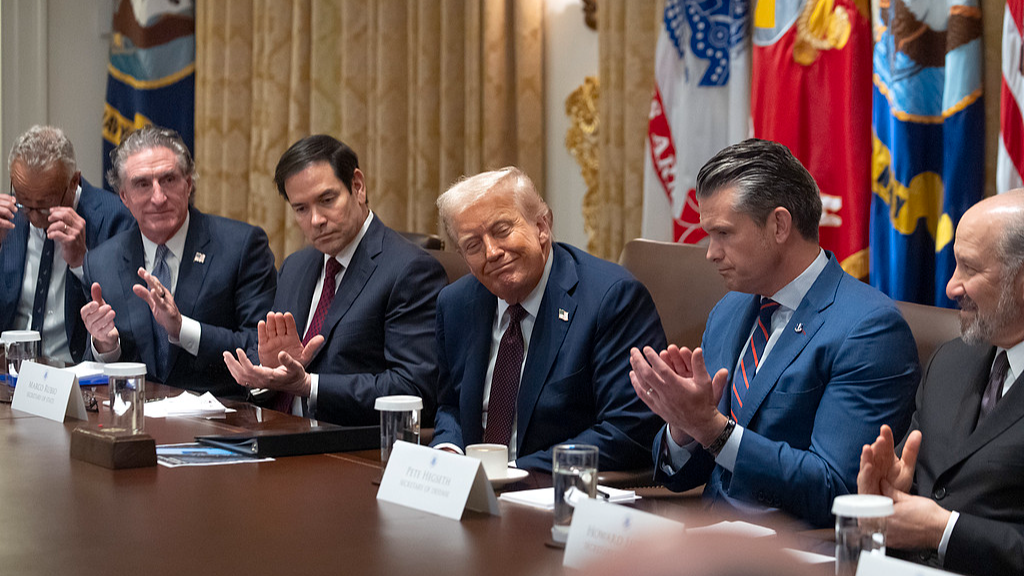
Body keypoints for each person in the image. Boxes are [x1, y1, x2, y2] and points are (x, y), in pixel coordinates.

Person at [630, 138, 920, 527]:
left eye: (724, 234)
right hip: (707, 537)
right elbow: (685, 476)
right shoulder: (729, 310)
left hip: (794, 547)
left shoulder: (869, 330)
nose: (711, 253)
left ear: (779, 225)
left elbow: (836, 489)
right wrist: (683, 427)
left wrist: (711, 429)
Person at [430, 167, 666, 472]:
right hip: (472, 485)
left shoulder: (611, 300)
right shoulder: (456, 304)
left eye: (502, 230)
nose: (491, 252)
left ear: (542, 227)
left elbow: (628, 430)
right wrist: (447, 449)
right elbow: (451, 406)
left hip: (554, 488)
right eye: (473, 245)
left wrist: (515, 472)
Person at [221, 134, 447, 424]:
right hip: (275, 433)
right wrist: (267, 372)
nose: (316, 220)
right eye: (301, 209)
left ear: (357, 186)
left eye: (327, 200)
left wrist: (309, 386)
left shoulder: (410, 270)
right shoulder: (295, 266)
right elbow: (272, 363)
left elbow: (413, 389)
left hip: (348, 442)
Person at [858, 190, 1024, 575]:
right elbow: (918, 484)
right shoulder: (951, 360)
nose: (951, 287)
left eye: (969, 268)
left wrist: (945, 530)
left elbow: (939, 521)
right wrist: (889, 495)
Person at [80, 126, 276, 398]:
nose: (158, 198)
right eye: (142, 184)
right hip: (133, 414)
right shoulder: (101, 262)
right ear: (123, 197)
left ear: (189, 184)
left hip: (221, 416)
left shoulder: (241, 246)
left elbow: (260, 348)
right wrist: (105, 345)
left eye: (169, 179)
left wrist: (183, 329)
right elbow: (94, 368)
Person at [0, 125, 132, 364]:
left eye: (45, 205)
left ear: (74, 182)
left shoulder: (115, 219)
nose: (34, 217)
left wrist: (83, 263)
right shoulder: (8, 216)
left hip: (76, 371)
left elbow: (124, 322)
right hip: (9, 369)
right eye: (25, 202)